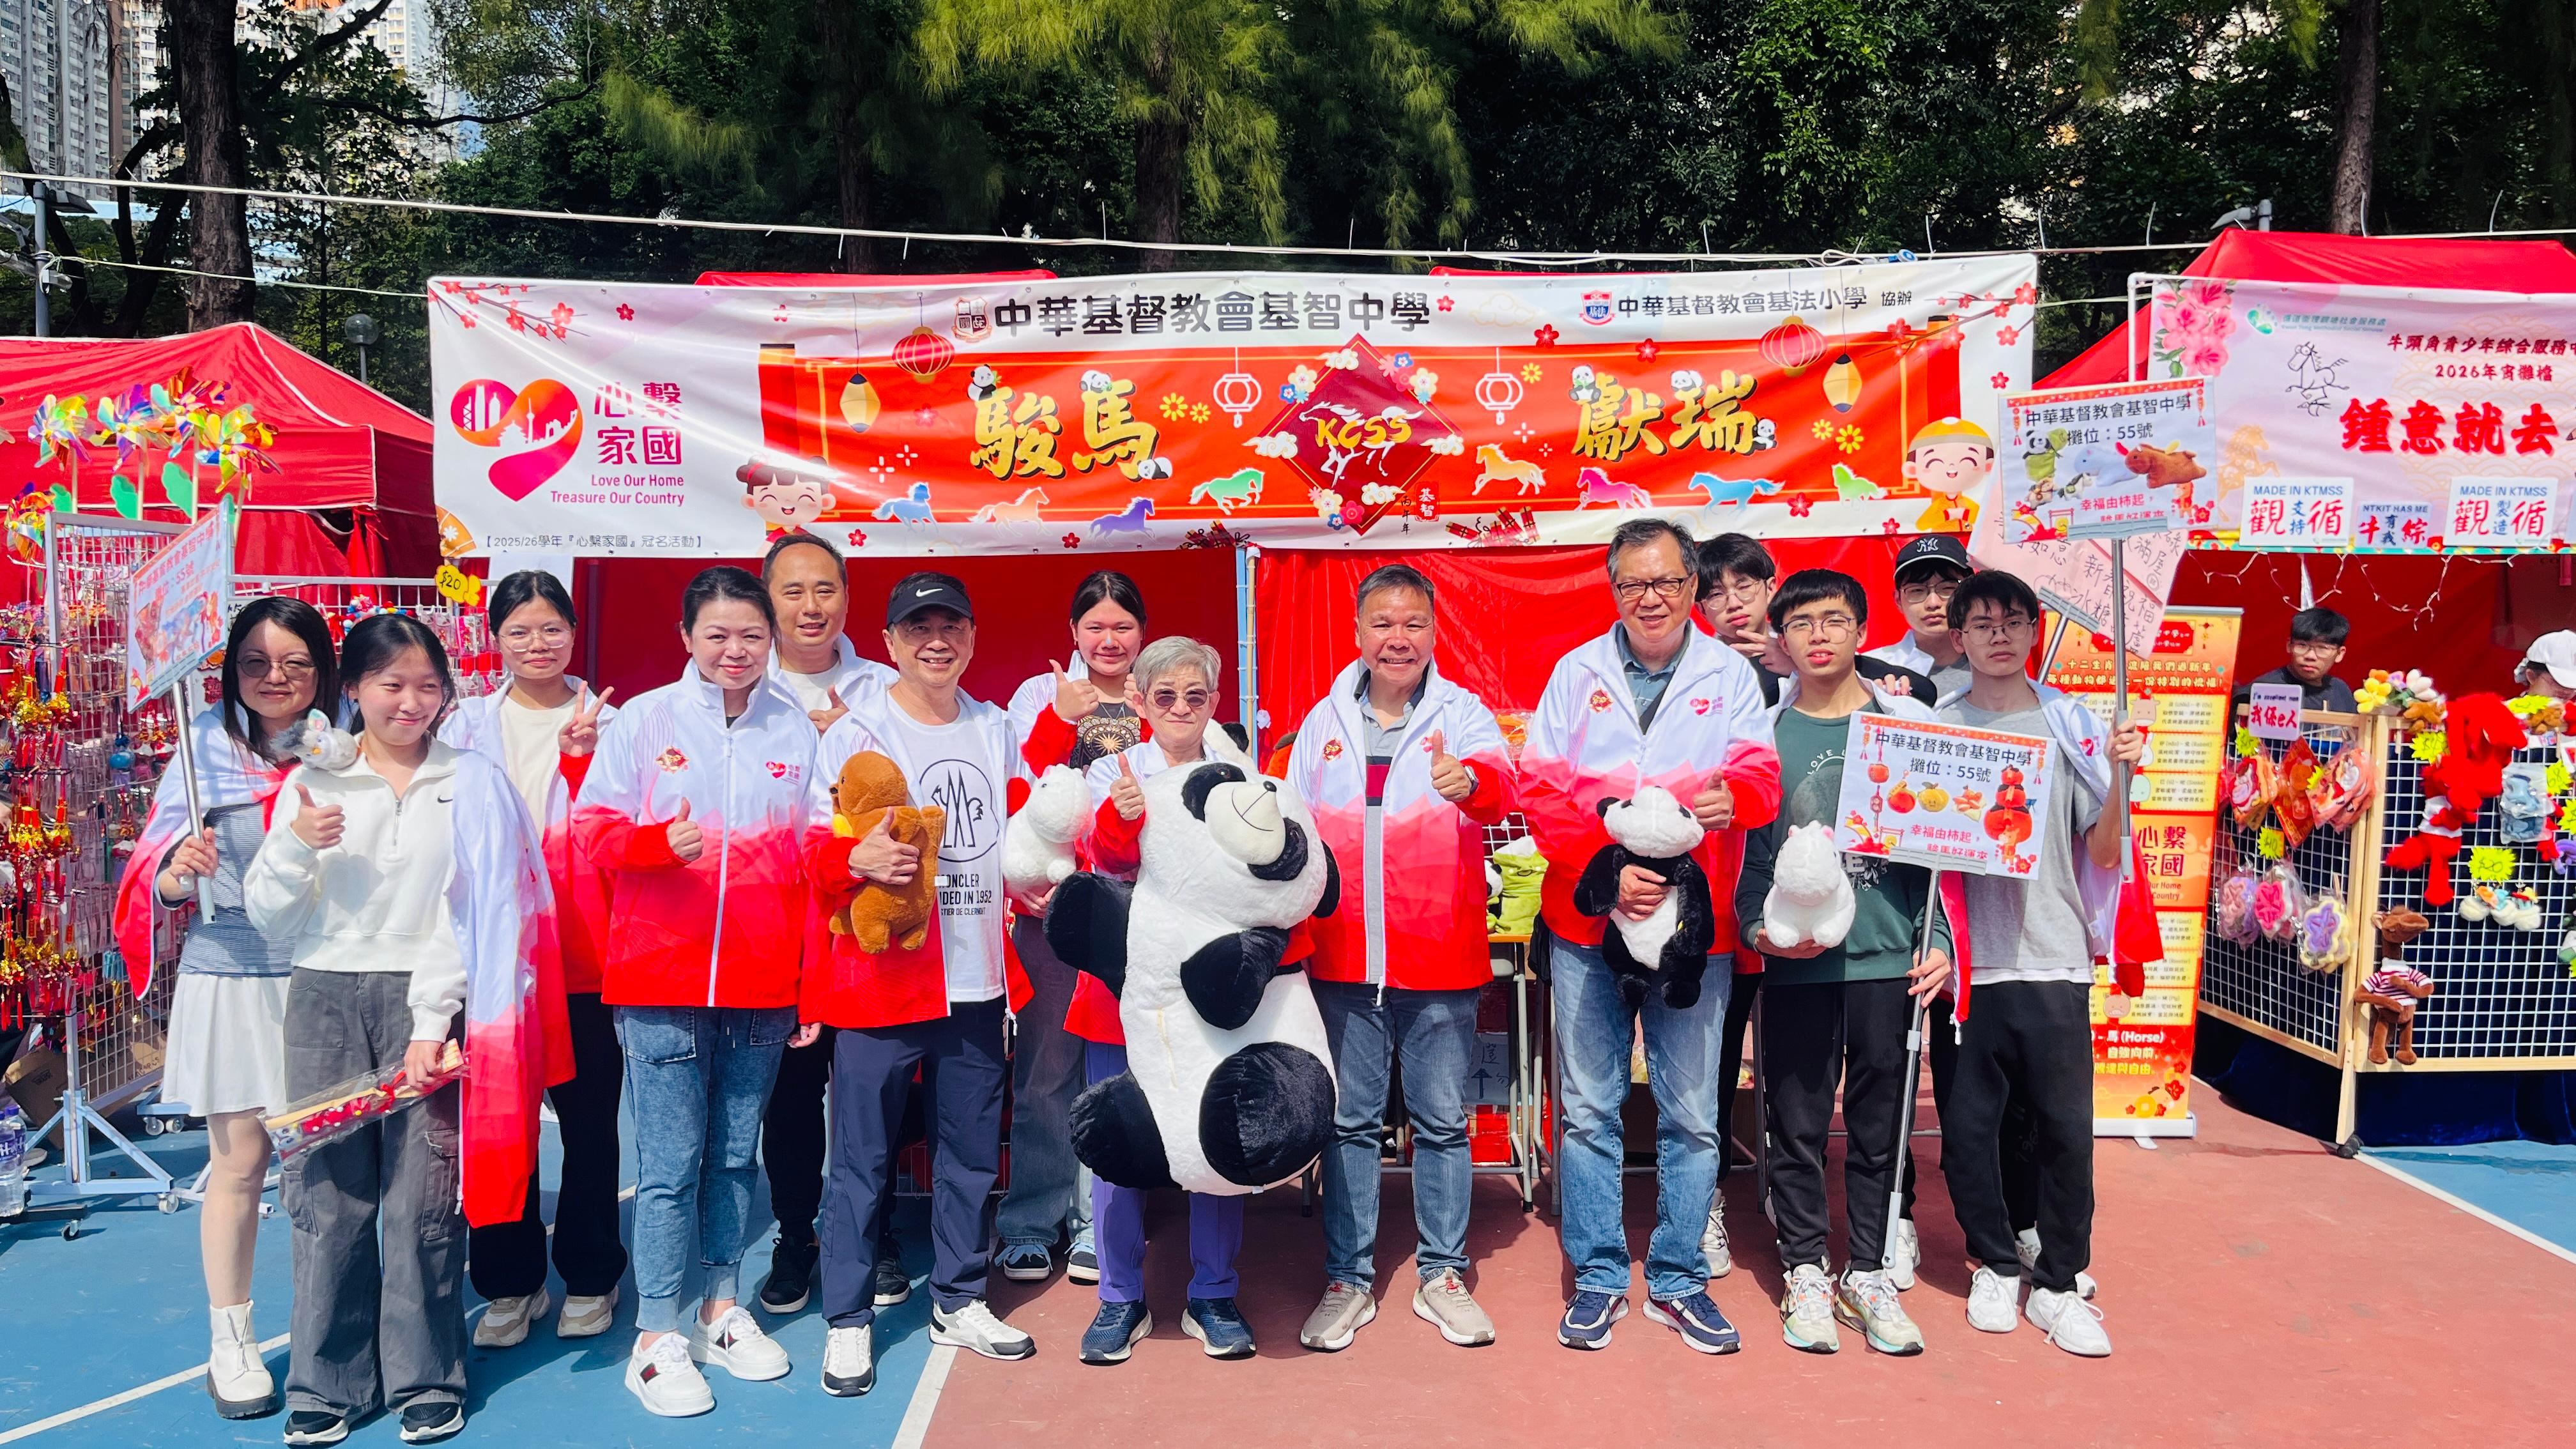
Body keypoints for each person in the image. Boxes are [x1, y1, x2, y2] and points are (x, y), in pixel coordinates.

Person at [244, 613, 550, 1447]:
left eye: (427, 686)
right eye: (391, 685)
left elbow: (476, 911)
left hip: (431, 1003)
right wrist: (297, 848)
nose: (410, 702)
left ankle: (426, 1376)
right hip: (324, 1004)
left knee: (425, 1198)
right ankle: (328, 1380)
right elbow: (271, 918)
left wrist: (430, 1018)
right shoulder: (315, 781)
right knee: (327, 1196)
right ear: (353, 689)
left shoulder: (471, 780)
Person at [1521, 519, 1779, 1356]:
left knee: (1694, 1116)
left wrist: (1737, 798)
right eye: (1633, 583)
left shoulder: (1729, 674)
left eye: (1667, 581)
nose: (1651, 598)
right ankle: (1599, 1276)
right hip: (1587, 924)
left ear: (1693, 584)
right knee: (1590, 1110)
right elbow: (1538, 789)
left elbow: (1761, 777)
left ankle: (1676, 1278)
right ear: (1613, 589)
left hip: (1694, 930)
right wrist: (1607, 866)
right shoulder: (1575, 672)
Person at [572, 567, 818, 1416]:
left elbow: (812, 854)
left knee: (734, 1158)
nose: (734, 650)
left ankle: (720, 1307)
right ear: (686, 638)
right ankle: (654, 1336)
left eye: (751, 635)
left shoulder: (795, 727)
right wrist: (653, 846)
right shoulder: (644, 721)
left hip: (761, 982)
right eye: (717, 634)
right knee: (670, 1167)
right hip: (660, 979)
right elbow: (591, 828)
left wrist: (808, 981)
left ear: (771, 639)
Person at [804, 572, 1038, 1399]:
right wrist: (852, 857)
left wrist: (1045, 879)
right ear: (891, 642)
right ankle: (848, 1318)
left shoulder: (997, 728)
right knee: (861, 1161)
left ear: (971, 636)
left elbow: (1028, 830)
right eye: (918, 628)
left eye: (951, 626)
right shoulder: (855, 731)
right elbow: (810, 846)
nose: (936, 642)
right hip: (883, 981)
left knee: (968, 1157)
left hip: (977, 982)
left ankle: (960, 1298)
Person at [1280, 564, 1514, 1353]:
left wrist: (1469, 783)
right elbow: (1292, 827)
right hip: (1344, 958)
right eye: (1383, 623)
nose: (1398, 638)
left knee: (1443, 1124)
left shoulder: (1463, 712)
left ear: (1434, 631)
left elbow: (1503, 789)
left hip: (1439, 954)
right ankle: (1348, 1279)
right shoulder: (1322, 721)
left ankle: (1442, 1274)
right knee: (1349, 1126)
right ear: (1358, 632)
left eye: (1414, 623)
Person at [112, 598, 336, 1422]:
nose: (276, 677)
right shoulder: (203, 748)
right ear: (230, 670)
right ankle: (231, 1339)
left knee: (333, 1170)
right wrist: (181, 870)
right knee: (240, 1163)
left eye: (296, 662)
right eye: (256, 662)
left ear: (323, 669)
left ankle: (336, 1327)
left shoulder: (349, 743)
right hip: (236, 971)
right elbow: (160, 878)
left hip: (333, 972)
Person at [1732, 570, 1951, 1358]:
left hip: (1891, 963)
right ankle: (1805, 1270)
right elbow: (1752, 861)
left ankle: (1869, 1272)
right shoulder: (1762, 735)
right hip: (1798, 965)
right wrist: (1758, 931)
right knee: (1794, 1126)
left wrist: (1939, 941)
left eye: (1833, 620)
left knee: (1879, 1131)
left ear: (1861, 631)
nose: (1818, 635)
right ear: (1781, 641)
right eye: (1801, 624)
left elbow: (1938, 852)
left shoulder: (1907, 725)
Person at [1936, 568, 2143, 1359]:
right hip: (1965, 966)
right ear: (1958, 636)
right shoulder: (1935, 724)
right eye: (1982, 624)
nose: (1998, 636)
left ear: (2033, 631)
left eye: (2013, 622)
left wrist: (2121, 777)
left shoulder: (2072, 724)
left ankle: (2058, 1281)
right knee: (1969, 1132)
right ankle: (1993, 1262)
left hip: (2053, 957)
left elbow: (2103, 850)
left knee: (2063, 1132)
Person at [436, 571, 626, 1349]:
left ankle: (590, 1273)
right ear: (496, 640)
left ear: (574, 634)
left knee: (590, 1125)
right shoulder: (462, 725)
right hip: (494, 960)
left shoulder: (614, 723)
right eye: (519, 631)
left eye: (552, 628)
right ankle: (510, 1282)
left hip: (586, 954)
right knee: (498, 1122)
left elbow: (623, 829)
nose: (537, 644)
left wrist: (584, 761)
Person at [1071, 636, 1268, 1363]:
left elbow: (1256, 873)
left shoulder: (1243, 775)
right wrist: (1119, 821)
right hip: (1123, 986)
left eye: (1195, 695)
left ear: (1215, 701)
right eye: (1165, 696)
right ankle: (1120, 1297)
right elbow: (1101, 866)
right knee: (1119, 1141)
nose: (1181, 708)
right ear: (1140, 702)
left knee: (1214, 1135)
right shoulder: (1109, 771)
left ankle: (1213, 1293)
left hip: (1206, 989)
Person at [754, 532, 907, 1322]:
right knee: (791, 1096)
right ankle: (796, 1236)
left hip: (866, 928)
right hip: (783, 927)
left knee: (874, 1094)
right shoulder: (745, 686)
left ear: (847, 597)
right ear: (768, 601)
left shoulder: (885, 687)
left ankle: (876, 1233)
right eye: (793, 591)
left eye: (825, 589)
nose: (811, 607)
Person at [994, 571, 1149, 1286]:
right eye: (1095, 627)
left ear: (1141, 633)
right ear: (1073, 633)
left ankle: (1099, 1222)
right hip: (1050, 913)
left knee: (1116, 1073)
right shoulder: (1039, 693)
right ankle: (1031, 1222)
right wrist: (1061, 716)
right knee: (1046, 1070)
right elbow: (1020, 785)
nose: (1109, 640)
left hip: (1133, 914)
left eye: (1122, 626)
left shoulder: (1159, 692)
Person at [1697, 533, 1935, 706]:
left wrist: (1799, 666)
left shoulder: (1807, 643)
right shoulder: (1694, 666)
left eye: (1744, 587)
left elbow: (1925, 691)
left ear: (1770, 588)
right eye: (1716, 595)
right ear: (1700, 609)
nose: (1734, 603)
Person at [1865, 535, 1974, 701]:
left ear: (1972, 594)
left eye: (1947, 588)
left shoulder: (1998, 664)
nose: (1933, 603)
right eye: (1917, 590)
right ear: (1898, 600)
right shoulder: (1869, 671)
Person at [2231, 606, 2358, 712]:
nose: (2310, 656)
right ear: (2289, 646)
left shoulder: (2341, 691)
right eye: (2302, 645)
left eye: (2322, 648)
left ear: (2340, 654)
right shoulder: (2263, 690)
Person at [2518, 631, 2576, 702]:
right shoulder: (2508, 708)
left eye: (2573, 686)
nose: (2567, 692)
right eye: (2557, 682)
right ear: (2532, 676)